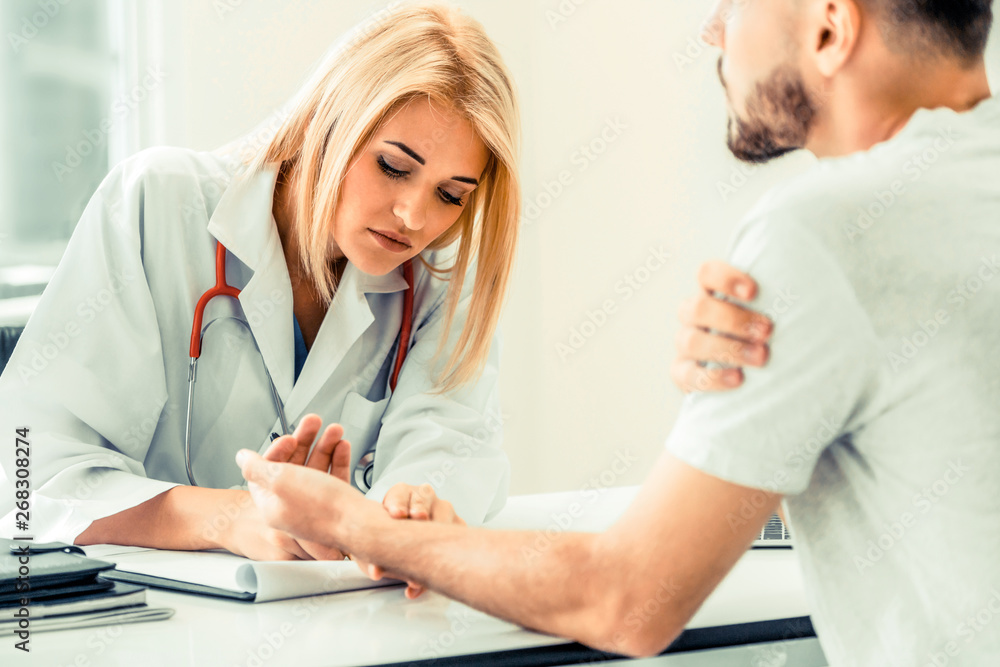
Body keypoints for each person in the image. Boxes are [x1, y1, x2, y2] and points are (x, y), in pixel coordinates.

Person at [235, 0, 1000, 664]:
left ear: (830, 31)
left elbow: (627, 598)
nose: (709, 27)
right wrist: (793, 404)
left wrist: (355, 524)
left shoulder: (821, 236)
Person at [0, 3, 525, 561]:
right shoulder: (158, 204)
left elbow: (450, 446)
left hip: (337, 618)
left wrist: (407, 516)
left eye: (451, 195)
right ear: (328, 123)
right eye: (394, 167)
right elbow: (28, 476)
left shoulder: (439, 276)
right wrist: (228, 518)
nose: (416, 217)